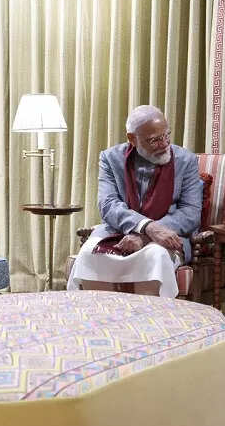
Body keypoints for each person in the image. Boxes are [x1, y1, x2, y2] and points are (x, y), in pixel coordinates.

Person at [67, 105, 202, 298]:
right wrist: (146, 227)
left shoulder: (186, 160)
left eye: (166, 135)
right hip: (117, 231)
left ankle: (150, 315)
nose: (164, 144)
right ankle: (99, 312)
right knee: (90, 253)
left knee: (155, 255)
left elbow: (190, 212)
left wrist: (146, 236)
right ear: (132, 138)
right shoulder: (110, 158)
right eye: (154, 140)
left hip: (168, 235)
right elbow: (108, 204)